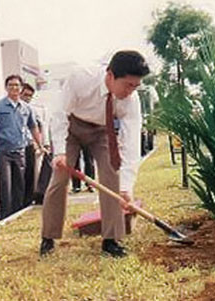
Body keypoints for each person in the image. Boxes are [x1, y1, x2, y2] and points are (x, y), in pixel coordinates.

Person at [40, 50, 150, 257]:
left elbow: (131, 142)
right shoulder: (81, 77)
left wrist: (126, 188)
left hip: (102, 130)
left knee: (112, 176)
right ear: (110, 76)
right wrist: (60, 152)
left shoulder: (131, 100)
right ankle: (48, 237)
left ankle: (111, 240)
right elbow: (59, 114)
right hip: (71, 127)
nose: (131, 91)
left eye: (136, 86)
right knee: (60, 177)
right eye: (128, 85)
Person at [0, 75, 43, 219]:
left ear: (21, 88)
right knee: (5, 183)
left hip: (20, 151)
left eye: (17, 85)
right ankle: (5, 214)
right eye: (11, 85)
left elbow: (33, 127)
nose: (14, 88)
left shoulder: (26, 108)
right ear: (6, 87)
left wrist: (40, 145)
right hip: (3, 151)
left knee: (19, 183)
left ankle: (17, 213)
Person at [19, 83, 44, 207]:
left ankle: (28, 200)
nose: (27, 98)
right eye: (25, 95)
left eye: (30, 96)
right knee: (18, 176)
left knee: (30, 173)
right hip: (16, 146)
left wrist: (40, 144)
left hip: (29, 144)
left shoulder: (32, 109)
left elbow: (39, 127)